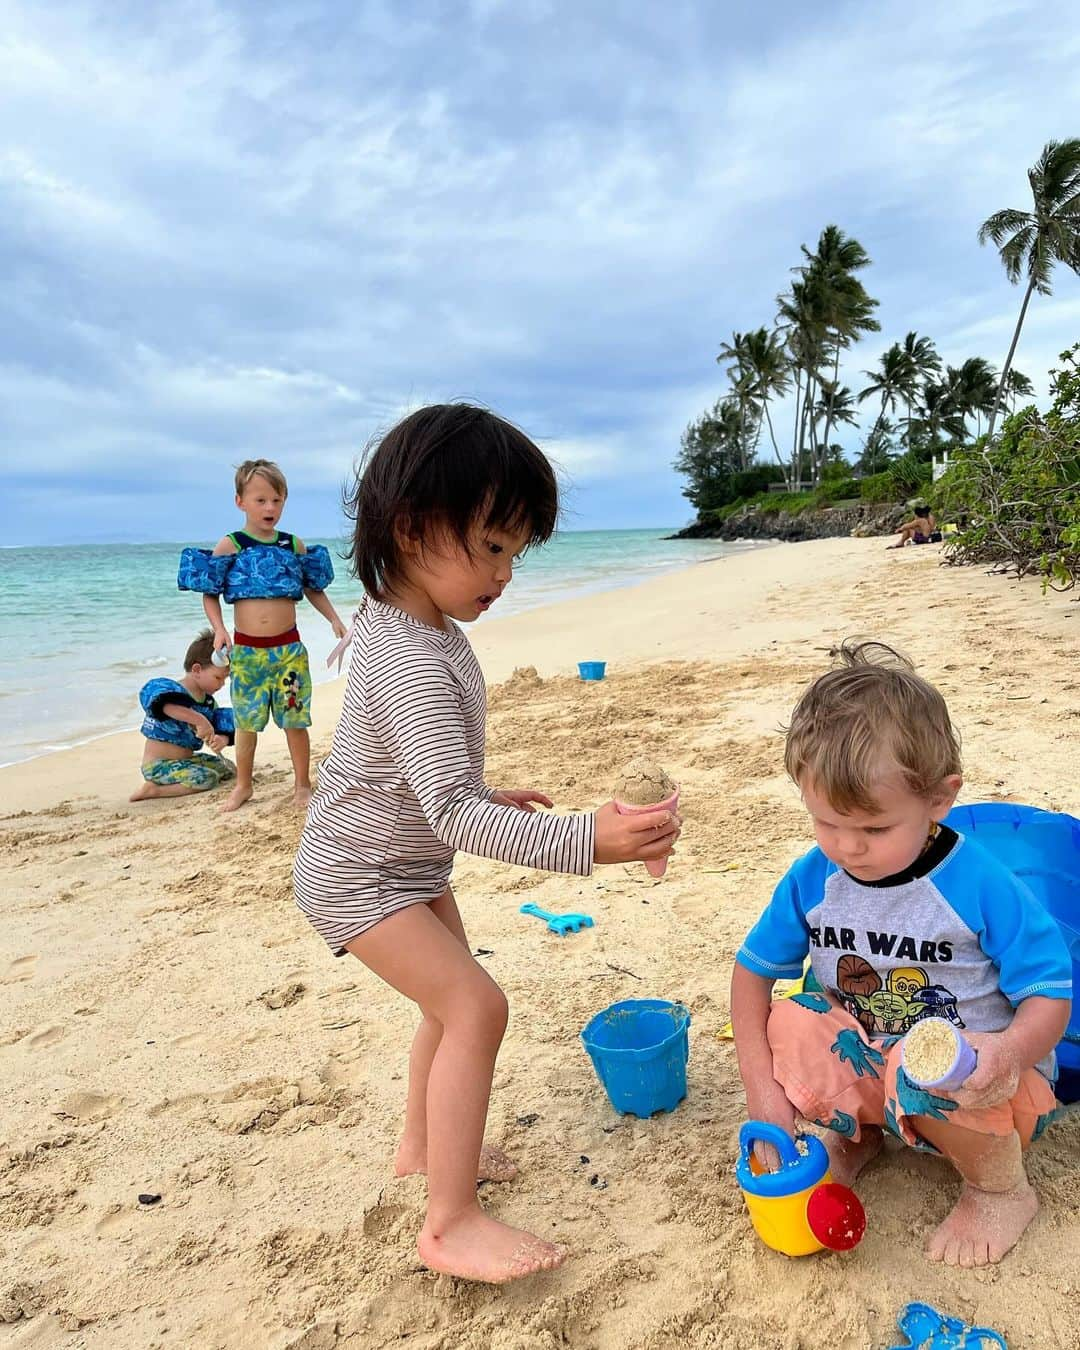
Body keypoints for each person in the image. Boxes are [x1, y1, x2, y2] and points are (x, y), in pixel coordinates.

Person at [294, 404, 682, 1284]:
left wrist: (480, 788)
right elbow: (456, 816)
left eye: (517, 552)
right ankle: (449, 1221)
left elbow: (419, 770)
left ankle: (423, 1149)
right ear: (413, 529)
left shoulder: (418, 627)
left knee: (449, 1005)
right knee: (478, 1007)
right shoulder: (410, 655)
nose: (507, 573)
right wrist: (592, 839)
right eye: (493, 546)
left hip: (403, 858)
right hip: (358, 875)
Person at [730, 641, 1071, 1268]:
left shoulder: (978, 883)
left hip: (982, 1083)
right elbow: (752, 973)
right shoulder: (815, 878)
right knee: (792, 1017)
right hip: (870, 1054)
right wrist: (762, 1089)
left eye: (875, 828)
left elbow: (1051, 990)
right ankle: (856, 1135)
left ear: (939, 800)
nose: (847, 848)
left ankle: (999, 1189)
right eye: (827, 823)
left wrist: (1012, 1053)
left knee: (925, 1063)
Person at [178, 458, 348, 812]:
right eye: (260, 500)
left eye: (277, 499)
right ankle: (243, 785)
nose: (270, 507)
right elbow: (209, 591)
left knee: (294, 720)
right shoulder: (232, 544)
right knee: (246, 724)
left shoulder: (293, 545)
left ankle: (303, 785)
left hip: (288, 652)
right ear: (240, 501)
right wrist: (221, 629)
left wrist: (333, 618)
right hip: (249, 655)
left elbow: (313, 588)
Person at [130, 629, 237, 801]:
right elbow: (164, 705)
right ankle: (153, 791)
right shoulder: (170, 693)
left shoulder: (208, 703)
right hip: (158, 765)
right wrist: (199, 720)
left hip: (186, 760)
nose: (222, 684)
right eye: (218, 678)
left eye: (225, 679)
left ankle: (176, 781)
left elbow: (221, 722)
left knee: (227, 769)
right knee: (206, 778)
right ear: (196, 670)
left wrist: (221, 739)